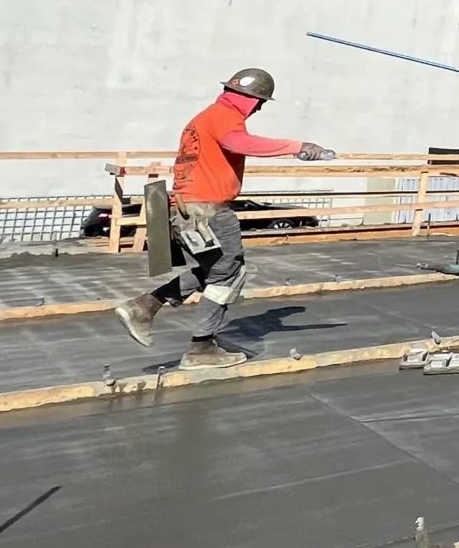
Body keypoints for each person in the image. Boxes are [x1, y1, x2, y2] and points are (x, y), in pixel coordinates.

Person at [112, 69, 334, 368]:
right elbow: (240, 143)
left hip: (186, 209)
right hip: (209, 211)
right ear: (252, 100)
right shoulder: (225, 117)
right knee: (229, 274)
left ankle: (144, 307)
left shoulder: (204, 118)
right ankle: (200, 348)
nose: (258, 109)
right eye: (260, 103)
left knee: (215, 270)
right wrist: (297, 147)